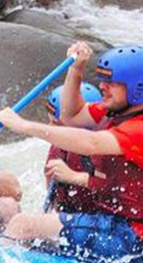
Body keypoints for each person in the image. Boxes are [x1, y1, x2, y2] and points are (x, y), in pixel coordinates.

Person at [0, 42, 143, 263]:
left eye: (112, 83)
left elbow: (91, 143)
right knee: (39, 226)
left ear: (136, 87)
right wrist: (76, 70)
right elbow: (72, 116)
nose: (103, 87)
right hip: (121, 225)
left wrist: (24, 126)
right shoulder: (122, 109)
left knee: (23, 225)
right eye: (103, 80)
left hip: (131, 236)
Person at [43, 82, 102, 213]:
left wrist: (73, 176)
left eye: (56, 124)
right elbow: (53, 199)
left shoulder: (106, 151)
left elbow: (116, 190)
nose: (49, 128)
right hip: (71, 216)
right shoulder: (58, 147)